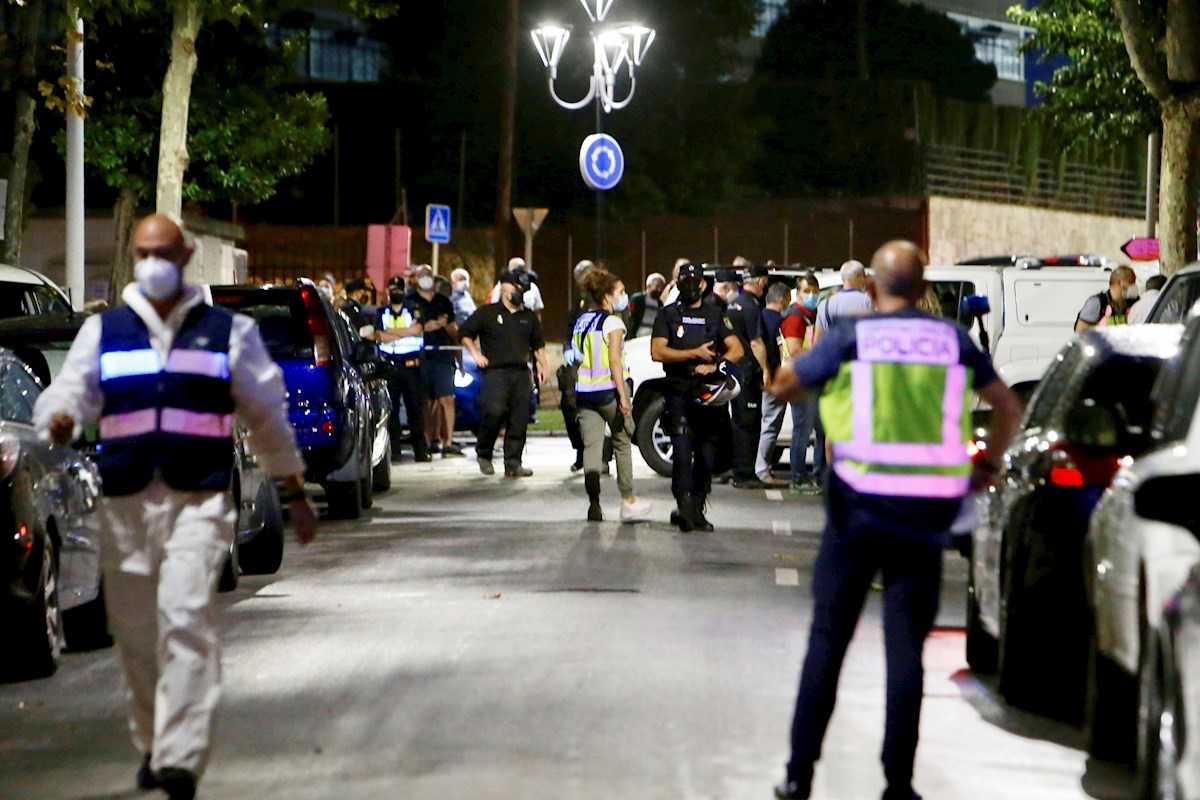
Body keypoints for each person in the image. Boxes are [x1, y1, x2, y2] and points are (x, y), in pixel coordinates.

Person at [33, 214, 318, 800]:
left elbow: (266, 415)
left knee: (185, 620)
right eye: (143, 251)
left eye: (162, 251)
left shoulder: (227, 333)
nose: (153, 262)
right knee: (137, 634)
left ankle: (181, 757)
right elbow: (69, 393)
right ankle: (155, 741)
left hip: (199, 500)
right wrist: (57, 419)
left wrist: (293, 490)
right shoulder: (104, 332)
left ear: (185, 255)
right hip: (126, 501)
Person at [768, 241, 1023, 800]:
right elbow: (1007, 406)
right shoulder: (951, 340)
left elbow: (785, 386)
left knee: (828, 641)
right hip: (924, 514)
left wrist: (800, 374)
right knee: (905, 649)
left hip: (856, 509)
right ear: (923, 286)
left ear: (873, 288)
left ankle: (798, 774)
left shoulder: (853, 337)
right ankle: (898, 784)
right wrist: (987, 468)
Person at [652, 262, 745, 532]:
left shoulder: (716, 314)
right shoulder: (668, 315)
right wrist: (694, 354)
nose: (690, 286)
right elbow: (658, 352)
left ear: (702, 284)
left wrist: (715, 365)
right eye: (685, 280)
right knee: (682, 454)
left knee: (706, 456)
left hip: (708, 395)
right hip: (679, 391)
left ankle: (698, 505)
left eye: (695, 281)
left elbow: (737, 349)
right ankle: (683, 506)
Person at [572, 270, 653, 522]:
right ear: (606, 296)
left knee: (592, 450)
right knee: (622, 442)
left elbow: (576, 356)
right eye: (619, 292)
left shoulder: (582, 321)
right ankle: (628, 502)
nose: (623, 296)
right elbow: (615, 361)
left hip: (584, 394)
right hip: (608, 392)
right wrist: (624, 397)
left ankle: (594, 505)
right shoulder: (613, 323)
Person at [460, 269, 550, 478]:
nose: (521, 292)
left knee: (519, 418)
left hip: (520, 373)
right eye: (518, 287)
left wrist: (544, 366)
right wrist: (475, 355)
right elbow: (465, 333)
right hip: (495, 373)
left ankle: (513, 463)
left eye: (524, 289)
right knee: (494, 412)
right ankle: (484, 452)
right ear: (505, 287)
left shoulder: (528, 317)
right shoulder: (488, 313)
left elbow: (538, 345)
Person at [376, 277, 432, 463]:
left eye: (399, 288)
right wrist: (405, 331)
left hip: (411, 367)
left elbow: (417, 330)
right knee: (391, 409)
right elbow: (378, 336)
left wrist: (391, 333)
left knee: (415, 409)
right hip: (390, 366)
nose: (396, 291)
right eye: (393, 288)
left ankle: (421, 451)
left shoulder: (413, 308)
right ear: (388, 291)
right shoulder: (381, 312)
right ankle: (394, 451)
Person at [409, 265, 463, 457]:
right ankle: (428, 440)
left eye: (428, 275)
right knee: (426, 402)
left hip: (443, 356)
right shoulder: (410, 301)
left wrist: (444, 325)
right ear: (416, 279)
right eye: (422, 276)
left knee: (446, 399)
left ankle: (448, 443)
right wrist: (426, 328)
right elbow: (407, 330)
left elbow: (454, 331)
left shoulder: (443, 302)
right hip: (420, 357)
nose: (426, 279)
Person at [726, 263, 771, 489]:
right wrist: (765, 370)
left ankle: (738, 469)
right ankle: (744, 474)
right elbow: (756, 342)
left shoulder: (733, 303)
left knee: (739, 422)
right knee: (749, 424)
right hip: (747, 372)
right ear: (760, 281)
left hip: (734, 370)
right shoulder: (752, 306)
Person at [780, 273, 824, 490]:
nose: (812, 295)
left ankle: (817, 473)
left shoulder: (810, 315)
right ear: (797, 293)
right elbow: (796, 350)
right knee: (802, 430)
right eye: (807, 291)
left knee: (818, 429)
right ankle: (798, 476)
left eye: (815, 291)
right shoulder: (795, 317)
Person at [561, 260, 599, 472]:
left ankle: (599, 456)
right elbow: (570, 327)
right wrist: (568, 347)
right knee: (570, 405)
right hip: (578, 360)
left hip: (598, 360)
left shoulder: (603, 298)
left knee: (597, 408)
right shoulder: (580, 302)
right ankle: (580, 450)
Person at [755, 281, 793, 482]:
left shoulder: (758, 316)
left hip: (759, 377)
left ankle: (761, 466)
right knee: (771, 424)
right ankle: (762, 469)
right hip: (775, 377)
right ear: (784, 299)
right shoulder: (783, 322)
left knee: (764, 423)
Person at [815, 259, 873, 343]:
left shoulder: (824, 304)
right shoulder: (868, 301)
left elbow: (817, 341)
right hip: (858, 353)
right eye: (864, 276)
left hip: (833, 353)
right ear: (859, 276)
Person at [1074, 264, 1138, 331]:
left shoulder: (1131, 302)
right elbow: (1080, 332)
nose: (1134, 286)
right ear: (1121, 282)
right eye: (1131, 282)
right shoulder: (1097, 303)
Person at [628, 272, 667, 339]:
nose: (659, 289)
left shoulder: (660, 303)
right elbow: (632, 319)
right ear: (648, 285)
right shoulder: (638, 299)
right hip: (638, 336)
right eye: (657, 286)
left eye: (661, 287)